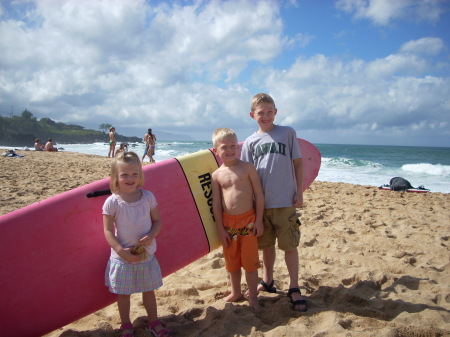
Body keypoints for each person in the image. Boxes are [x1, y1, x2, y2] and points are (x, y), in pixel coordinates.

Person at [240, 93, 307, 312]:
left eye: (270, 111)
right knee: (266, 245)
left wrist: (300, 191)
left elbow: (298, 164)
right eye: (261, 112)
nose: (266, 116)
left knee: (290, 245)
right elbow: (248, 176)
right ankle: (267, 280)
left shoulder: (287, 133)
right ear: (252, 115)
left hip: (286, 201)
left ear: (275, 112)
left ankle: (294, 286)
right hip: (262, 205)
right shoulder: (250, 142)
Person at [102, 152, 170, 337]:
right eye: (124, 175)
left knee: (149, 291)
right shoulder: (112, 202)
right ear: (116, 177)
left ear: (140, 175)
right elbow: (108, 231)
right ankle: (125, 324)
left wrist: (151, 235)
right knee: (123, 294)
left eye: (134, 174)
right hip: (122, 258)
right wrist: (119, 251)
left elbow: (157, 221)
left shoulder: (147, 197)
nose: (130, 178)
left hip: (145, 255)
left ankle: (153, 321)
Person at [211, 128, 264, 312]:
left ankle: (253, 297)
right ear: (216, 150)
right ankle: (235, 292)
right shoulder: (216, 175)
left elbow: (259, 193)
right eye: (224, 147)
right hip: (228, 224)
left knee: (250, 261)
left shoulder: (247, 167)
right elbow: (216, 205)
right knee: (232, 261)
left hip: (249, 220)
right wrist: (220, 229)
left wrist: (259, 220)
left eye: (233, 145)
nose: (230, 150)